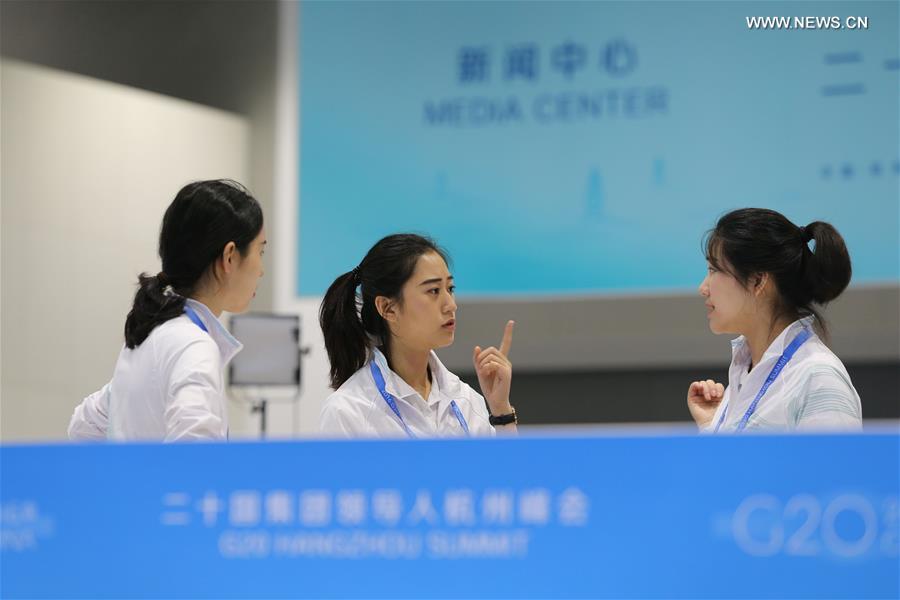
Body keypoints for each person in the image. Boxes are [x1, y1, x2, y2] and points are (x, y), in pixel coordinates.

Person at [68, 179, 265, 441]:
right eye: (260, 251)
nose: (262, 270)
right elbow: (193, 458)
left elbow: (83, 425)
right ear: (229, 256)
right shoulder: (193, 345)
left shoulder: (149, 338)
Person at [318, 233, 517, 437]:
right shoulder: (348, 412)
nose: (451, 305)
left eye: (450, 288)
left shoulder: (466, 399)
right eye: (433, 291)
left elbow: (504, 460)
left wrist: (501, 411)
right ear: (387, 308)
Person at [688, 208, 862, 432]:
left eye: (713, 270)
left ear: (758, 281)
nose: (703, 288)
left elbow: (836, 457)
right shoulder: (745, 372)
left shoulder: (818, 379)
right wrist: (712, 427)